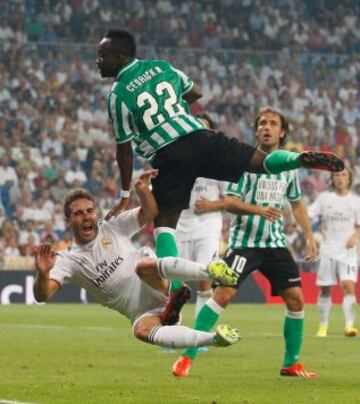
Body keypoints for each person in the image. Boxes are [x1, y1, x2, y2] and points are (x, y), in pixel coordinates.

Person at [96, 29, 344, 272]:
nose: (98, 61)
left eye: (102, 55)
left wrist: (125, 193)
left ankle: (172, 290)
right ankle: (299, 158)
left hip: (169, 153)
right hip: (201, 137)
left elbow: (124, 150)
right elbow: (196, 92)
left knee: (163, 225)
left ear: (119, 57)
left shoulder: (118, 95)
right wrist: (174, 112)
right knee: (261, 162)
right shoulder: (162, 67)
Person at [172, 108, 318, 378]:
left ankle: (290, 363)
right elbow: (230, 201)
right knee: (224, 294)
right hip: (244, 243)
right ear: (256, 130)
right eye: (262, 123)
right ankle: (186, 356)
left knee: (296, 300)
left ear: (282, 132)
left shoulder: (288, 168)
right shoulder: (244, 162)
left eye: (273, 123)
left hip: (274, 245)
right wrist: (258, 210)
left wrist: (309, 235)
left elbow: (297, 203)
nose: (267, 127)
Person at [33, 171, 242, 352]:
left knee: (142, 267)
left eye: (90, 211)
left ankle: (210, 271)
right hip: (142, 311)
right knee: (140, 330)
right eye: (78, 214)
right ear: (68, 221)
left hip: (156, 281)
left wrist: (142, 189)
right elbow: (42, 295)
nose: (87, 217)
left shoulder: (112, 226)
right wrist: (43, 273)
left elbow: (150, 212)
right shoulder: (68, 260)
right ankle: (214, 339)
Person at [176, 113, 227, 338]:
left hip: (208, 225)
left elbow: (231, 200)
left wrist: (212, 204)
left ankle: (199, 334)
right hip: (180, 224)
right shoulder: (177, 159)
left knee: (204, 280)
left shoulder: (219, 163)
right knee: (175, 283)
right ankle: (174, 333)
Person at [309, 168, 360, 338]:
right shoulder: (324, 199)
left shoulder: (356, 201)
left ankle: (349, 326)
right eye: (336, 175)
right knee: (325, 289)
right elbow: (310, 215)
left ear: (349, 179)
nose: (340, 178)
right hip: (328, 250)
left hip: (348, 251)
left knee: (348, 286)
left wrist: (354, 236)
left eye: (343, 175)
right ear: (332, 179)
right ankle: (323, 325)